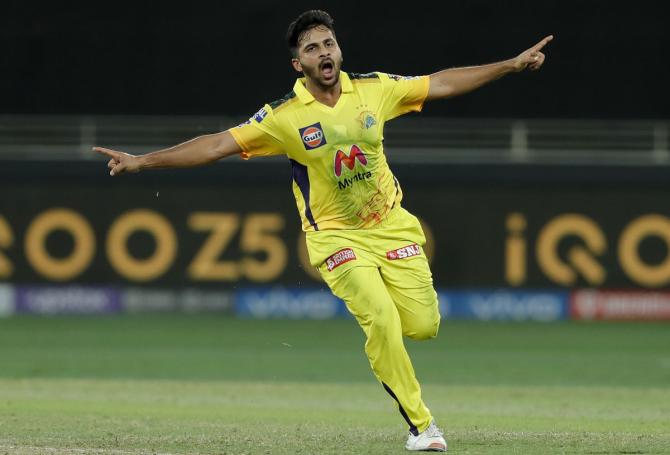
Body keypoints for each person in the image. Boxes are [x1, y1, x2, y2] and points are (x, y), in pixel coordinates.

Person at [94, 10, 551, 452]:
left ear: (339, 49)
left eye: (328, 43)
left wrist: (510, 66)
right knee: (380, 317)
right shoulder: (284, 117)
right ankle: (422, 426)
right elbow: (216, 145)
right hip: (334, 237)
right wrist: (143, 161)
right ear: (299, 64)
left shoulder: (374, 91)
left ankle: (389, 350)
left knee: (423, 326)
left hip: (391, 227)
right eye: (312, 49)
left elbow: (442, 82)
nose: (323, 53)